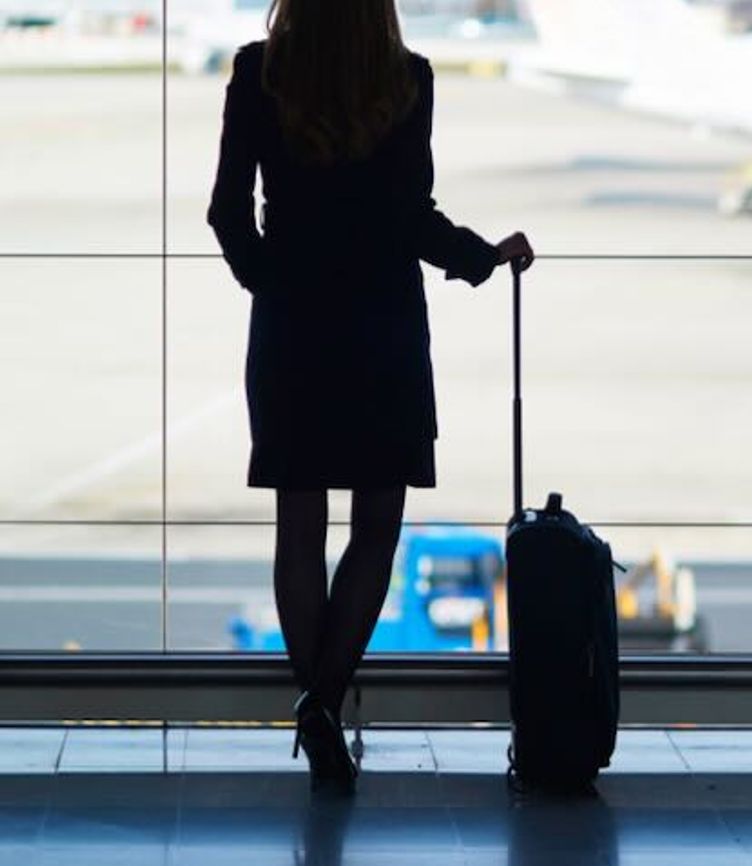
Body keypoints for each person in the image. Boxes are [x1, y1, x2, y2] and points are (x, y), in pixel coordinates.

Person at [206, 0, 533, 794]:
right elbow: (410, 219)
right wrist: (482, 257)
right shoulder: (407, 80)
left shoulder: (259, 72)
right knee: (376, 525)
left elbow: (226, 211)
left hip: (293, 328)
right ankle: (321, 702)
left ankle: (317, 708)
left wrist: (271, 282)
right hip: (381, 327)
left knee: (299, 526)